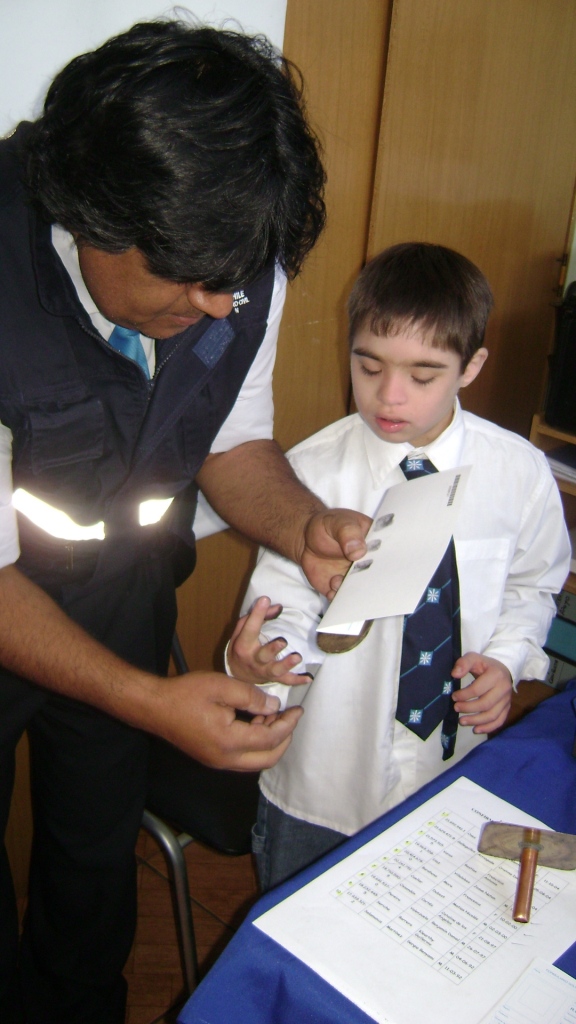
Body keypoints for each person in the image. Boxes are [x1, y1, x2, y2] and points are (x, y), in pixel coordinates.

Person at [0, 19, 370, 1023]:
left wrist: (304, 527)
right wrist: (146, 698)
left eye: (235, 284)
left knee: (92, 874)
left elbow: (230, 443)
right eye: (191, 284)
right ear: (90, 220)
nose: (220, 307)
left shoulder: (234, 257)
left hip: (118, 589)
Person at [228, 241, 572, 891]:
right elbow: (285, 606)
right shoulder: (306, 475)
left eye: (422, 375)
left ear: (471, 367)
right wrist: (267, 660)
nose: (390, 397)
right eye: (368, 366)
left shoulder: (517, 473)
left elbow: (533, 583)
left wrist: (507, 659)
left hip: (454, 773)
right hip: (323, 784)